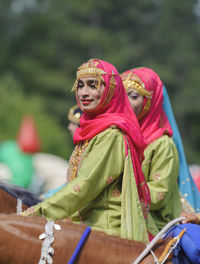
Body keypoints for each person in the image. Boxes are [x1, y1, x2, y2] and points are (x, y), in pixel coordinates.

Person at [21, 59, 158, 243]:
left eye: (93, 85)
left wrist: (31, 214)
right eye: (80, 85)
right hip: (81, 224)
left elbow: (83, 187)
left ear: (110, 91)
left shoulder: (112, 134)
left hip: (104, 232)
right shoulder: (91, 131)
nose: (84, 92)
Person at [121, 68, 182, 231]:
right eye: (121, 96)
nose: (125, 102)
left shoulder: (162, 145)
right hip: (118, 215)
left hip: (153, 225)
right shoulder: (117, 136)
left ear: (150, 101)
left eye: (133, 96)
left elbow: (158, 194)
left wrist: (116, 196)